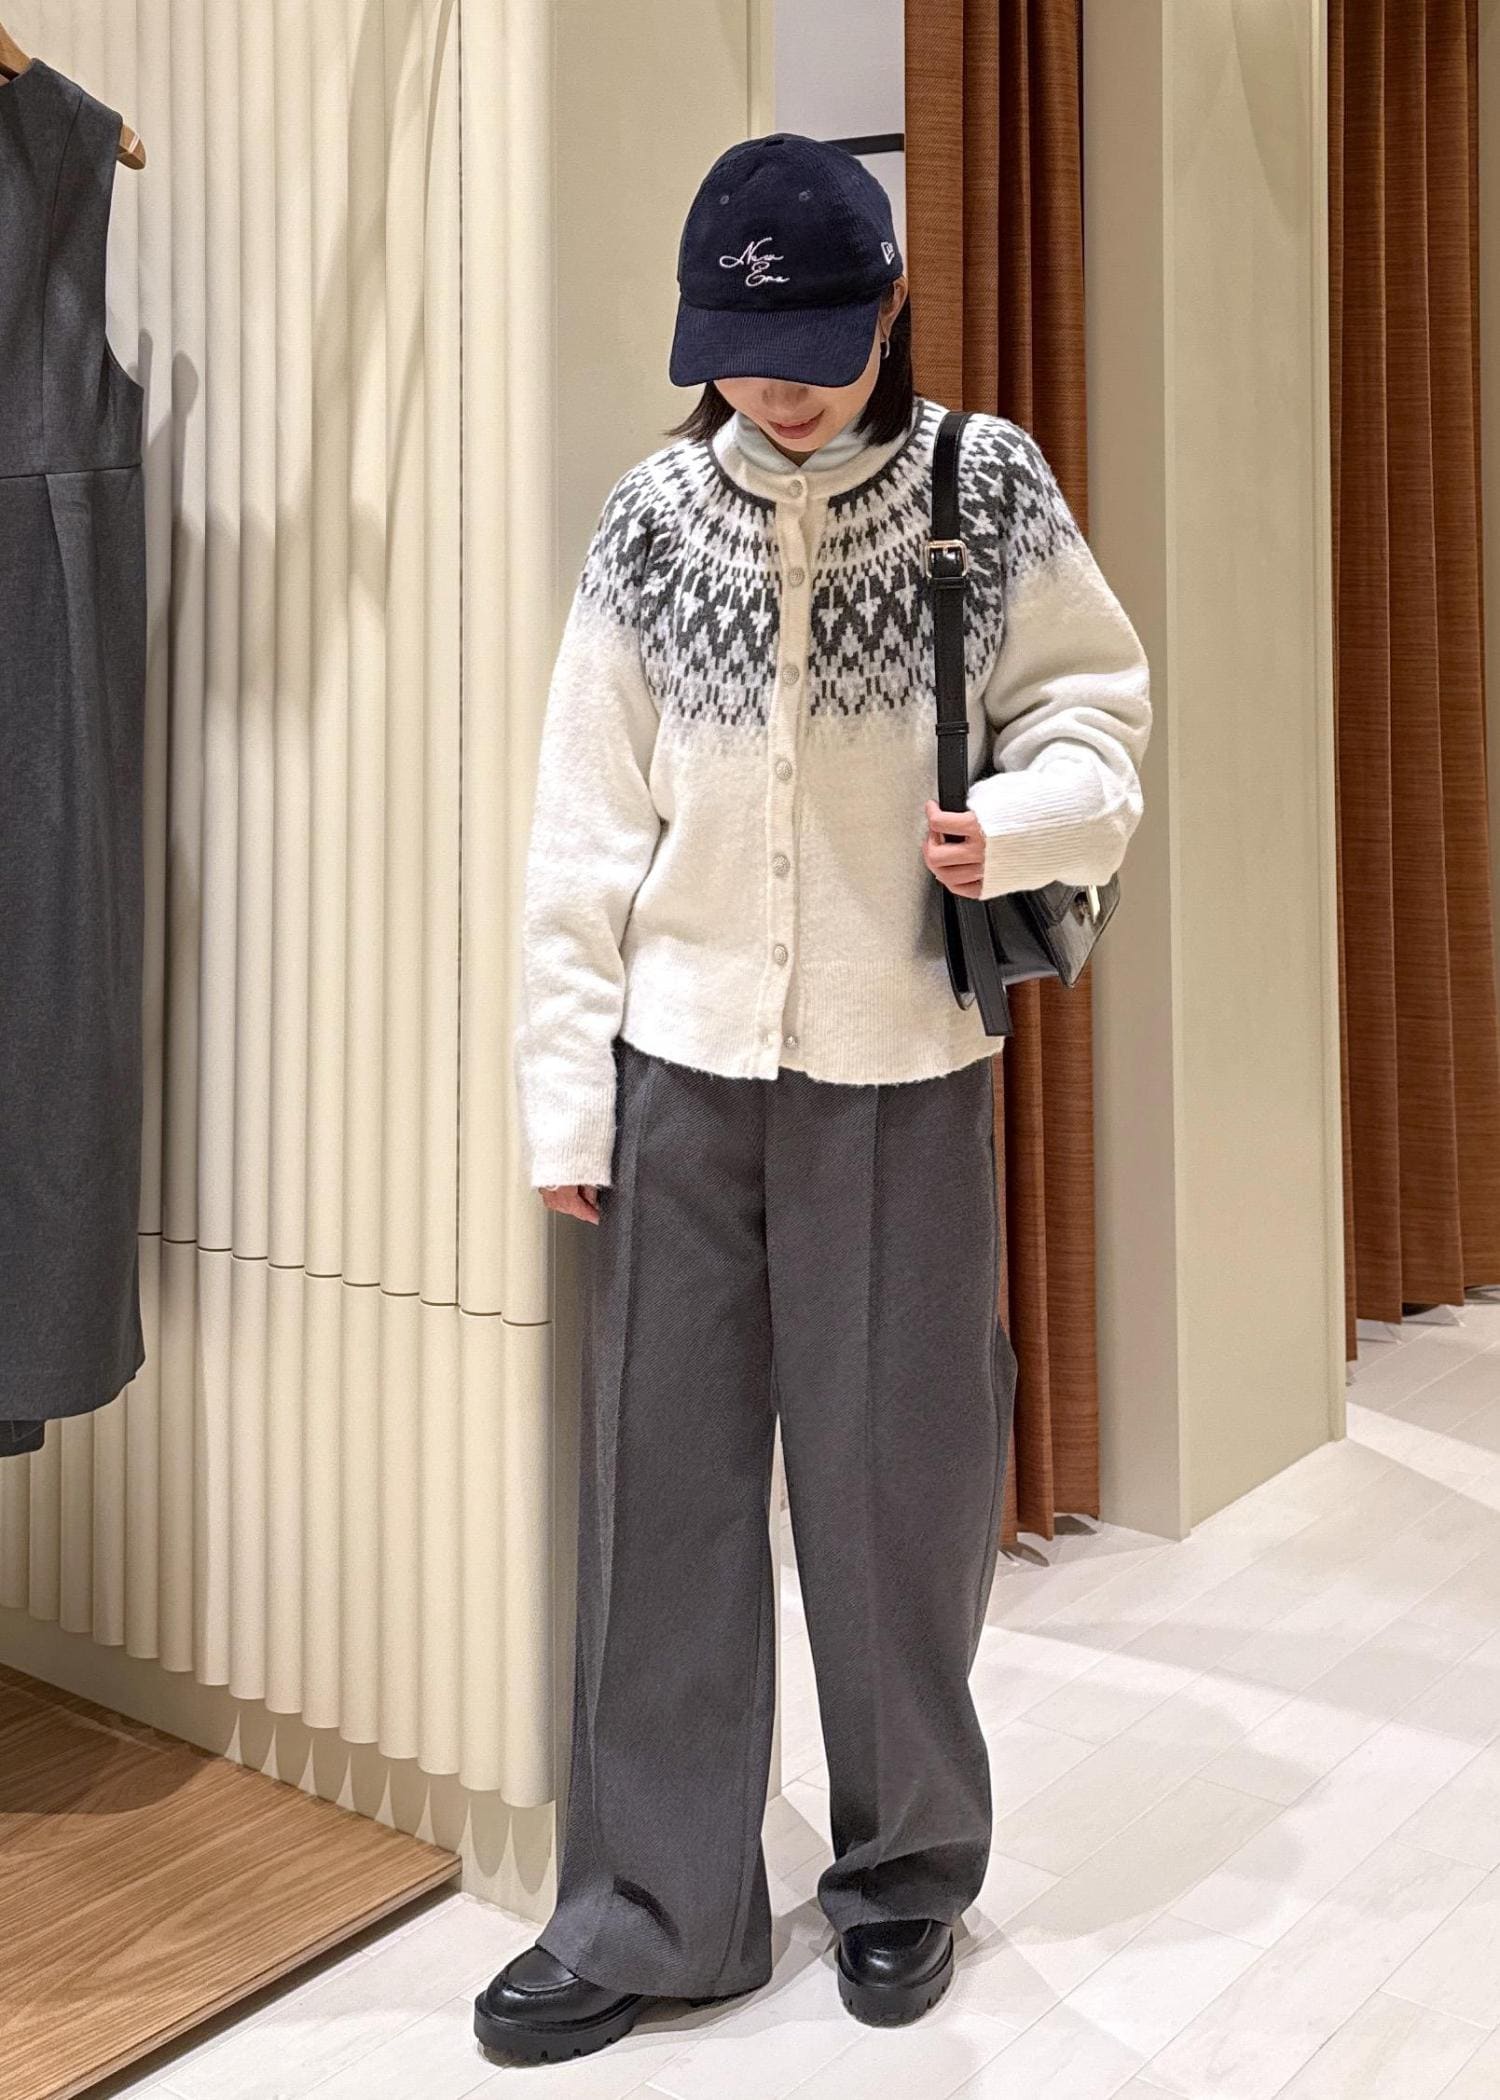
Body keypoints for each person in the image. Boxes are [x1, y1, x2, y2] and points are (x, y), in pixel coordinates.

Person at [475, 131, 1151, 2066]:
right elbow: (581, 831)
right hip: (674, 1081)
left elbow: (1100, 712)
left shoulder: (980, 487)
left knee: (894, 1499)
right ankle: (652, 1908)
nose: (777, 392)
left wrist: (1019, 817)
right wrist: (565, 1100)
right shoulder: (649, 520)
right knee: (660, 1505)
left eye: (817, 353)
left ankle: (906, 1871)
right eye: (742, 356)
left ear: (891, 308)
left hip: (899, 1078)